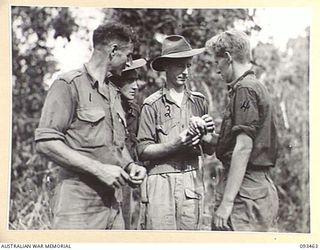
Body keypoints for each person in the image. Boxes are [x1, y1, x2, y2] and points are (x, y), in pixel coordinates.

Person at [35, 22, 146, 229]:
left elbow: (116, 147)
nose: (129, 62)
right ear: (113, 51)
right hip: (77, 205)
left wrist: (130, 166)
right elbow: (45, 143)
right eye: (128, 55)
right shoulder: (68, 85)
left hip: (113, 205)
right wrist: (99, 170)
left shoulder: (113, 92)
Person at [137, 35, 216, 230]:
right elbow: (142, 150)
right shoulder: (151, 104)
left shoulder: (199, 101)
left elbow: (209, 149)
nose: (186, 72)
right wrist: (175, 145)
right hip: (160, 183)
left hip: (191, 180)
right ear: (166, 67)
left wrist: (208, 134)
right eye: (180, 66)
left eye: (188, 65)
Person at [205, 30, 279, 231]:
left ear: (228, 58)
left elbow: (244, 148)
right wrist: (210, 138)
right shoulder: (254, 86)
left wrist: (227, 203)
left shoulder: (244, 89)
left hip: (244, 191)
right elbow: (247, 141)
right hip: (255, 187)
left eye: (217, 61)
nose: (217, 69)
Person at [110, 58, 147, 229]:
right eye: (129, 81)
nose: (136, 86)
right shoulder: (107, 107)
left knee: (127, 226)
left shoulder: (135, 111)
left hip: (127, 181)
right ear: (116, 82)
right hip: (107, 177)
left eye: (136, 80)